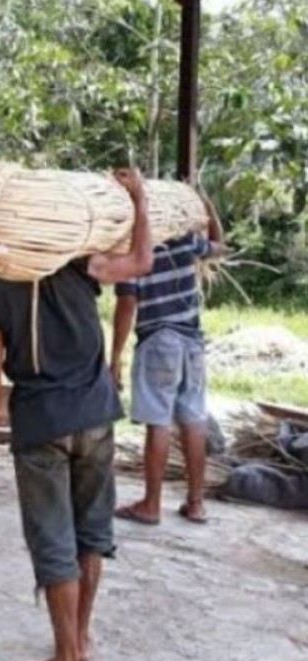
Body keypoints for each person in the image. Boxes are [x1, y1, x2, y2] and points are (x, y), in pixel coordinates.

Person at [0, 169, 154, 661]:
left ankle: (66, 654)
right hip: (95, 417)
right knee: (90, 535)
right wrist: (141, 201)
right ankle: (79, 641)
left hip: (41, 427)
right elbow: (142, 261)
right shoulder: (80, 264)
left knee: (55, 544)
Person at [112, 191, 226, 526]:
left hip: (159, 340)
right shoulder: (187, 241)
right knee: (193, 419)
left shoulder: (137, 249)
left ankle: (151, 505)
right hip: (192, 342)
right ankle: (196, 503)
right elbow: (220, 246)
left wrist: (115, 357)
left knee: (158, 422)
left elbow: (127, 305)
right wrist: (209, 206)